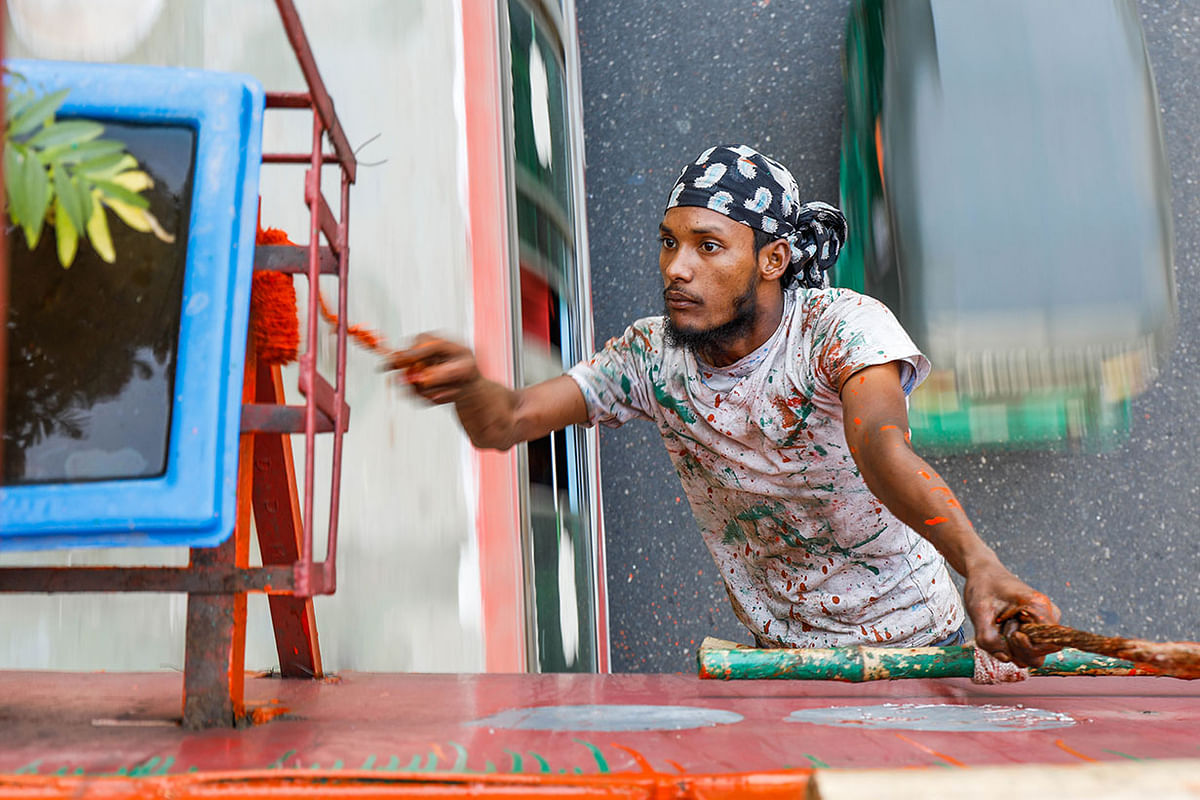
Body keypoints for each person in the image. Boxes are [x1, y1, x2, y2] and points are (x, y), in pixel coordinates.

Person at [389, 144, 1059, 666]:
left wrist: (979, 564)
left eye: (708, 246)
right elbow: (506, 422)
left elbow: (881, 447)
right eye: (668, 241)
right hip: (782, 668)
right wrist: (468, 383)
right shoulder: (648, 358)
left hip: (921, 648)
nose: (676, 267)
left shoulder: (842, 331)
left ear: (771, 260)